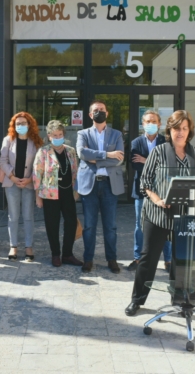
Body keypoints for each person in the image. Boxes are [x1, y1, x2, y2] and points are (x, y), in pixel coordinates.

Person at [125, 110, 195, 316]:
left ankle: (181, 301)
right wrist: (156, 199)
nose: (180, 132)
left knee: (181, 260)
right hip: (158, 214)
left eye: (184, 128)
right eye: (176, 128)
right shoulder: (159, 152)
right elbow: (144, 184)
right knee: (148, 259)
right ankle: (137, 300)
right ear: (169, 129)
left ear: (189, 131)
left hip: (188, 216)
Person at [76, 100, 125, 274]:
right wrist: (107, 154)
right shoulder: (83, 134)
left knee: (110, 226)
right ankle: (88, 259)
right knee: (89, 225)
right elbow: (82, 153)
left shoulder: (116, 134)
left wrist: (95, 157)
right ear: (90, 115)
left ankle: (111, 259)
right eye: (96, 110)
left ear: (107, 113)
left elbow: (119, 158)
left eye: (102, 110)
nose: (99, 112)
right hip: (89, 185)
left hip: (109, 185)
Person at [33, 120, 83, 267]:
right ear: (49, 136)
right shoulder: (43, 152)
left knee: (71, 223)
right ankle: (55, 254)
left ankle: (67, 254)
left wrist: (76, 191)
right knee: (52, 224)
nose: (58, 137)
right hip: (50, 194)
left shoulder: (70, 151)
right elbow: (37, 175)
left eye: (60, 134)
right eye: (55, 135)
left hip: (68, 192)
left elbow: (75, 171)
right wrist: (38, 196)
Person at [129, 110, 172, 272]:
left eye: (153, 121)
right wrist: (157, 163)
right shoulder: (136, 142)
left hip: (163, 190)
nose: (150, 124)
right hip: (142, 190)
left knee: (165, 225)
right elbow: (135, 166)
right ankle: (138, 258)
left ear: (159, 124)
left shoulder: (166, 142)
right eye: (147, 121)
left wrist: (146, 160)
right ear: (143, 124)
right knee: (140, 225)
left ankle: (168, 260)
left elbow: (169, 166)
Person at [0, 112, 43, 261]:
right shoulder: (8, 140)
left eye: (24, 123)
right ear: (14, 126)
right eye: (18, 124)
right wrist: (12, 176)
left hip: (29, 184)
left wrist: (30, 179)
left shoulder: (35, 141)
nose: (21, 126)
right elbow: (2, 161)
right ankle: (13, 246)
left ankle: (29, 246)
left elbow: (39, 165)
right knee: (13, 216)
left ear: (29, 125)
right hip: (12, 182)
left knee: (28, 216)